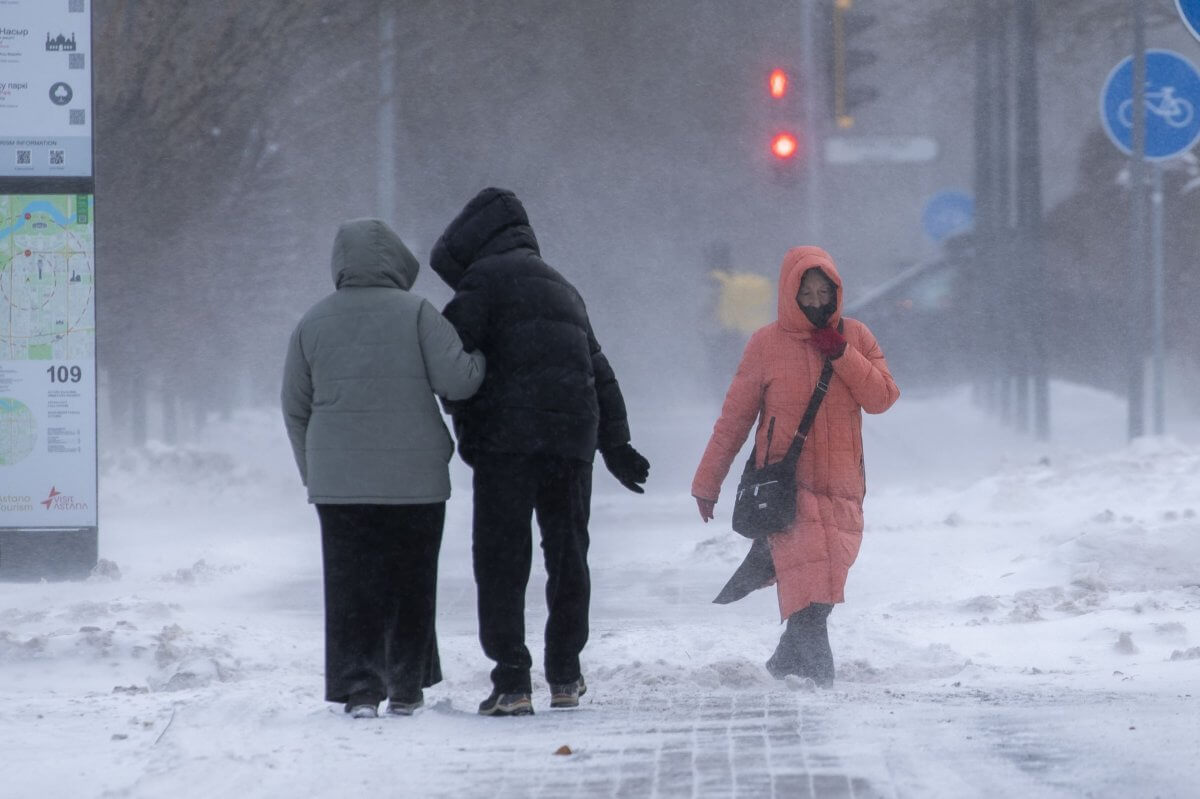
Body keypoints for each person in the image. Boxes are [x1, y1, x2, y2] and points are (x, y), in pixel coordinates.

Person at [430, 187, 649, 716]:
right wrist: (615, 445)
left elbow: (451, 359)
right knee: (568, 555)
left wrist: (463, 418)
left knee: (503, 559)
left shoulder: (482, 281)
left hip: (507, 443)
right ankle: (566, 674)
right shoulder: (563, 287)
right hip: (570, 442)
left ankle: (511, 681)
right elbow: (598, 370)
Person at [281, 218, 485, 719]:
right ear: (396, 262)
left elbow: (294, 406)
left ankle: (359, 691)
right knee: (410, 583)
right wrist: (481, 356)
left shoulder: (313, 321)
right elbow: (458, 383)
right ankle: (406, 687)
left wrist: (315, 471)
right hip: (414, 482)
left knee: (350, 586)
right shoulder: (418, 314)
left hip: (339, 487)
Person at [691, 246, 898, 687]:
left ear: (837, 291)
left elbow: (882, 397)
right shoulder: (765, 345)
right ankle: (821, 679)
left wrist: (841, 353)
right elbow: (734, 420)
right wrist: (708, 482)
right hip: (788, 487)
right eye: (808, 292)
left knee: (826, 579)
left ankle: (784, 664)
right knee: (812, 584)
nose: (817, 301)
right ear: (791, 293)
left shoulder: (857, 337)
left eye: (826, 292)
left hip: (844, 488)